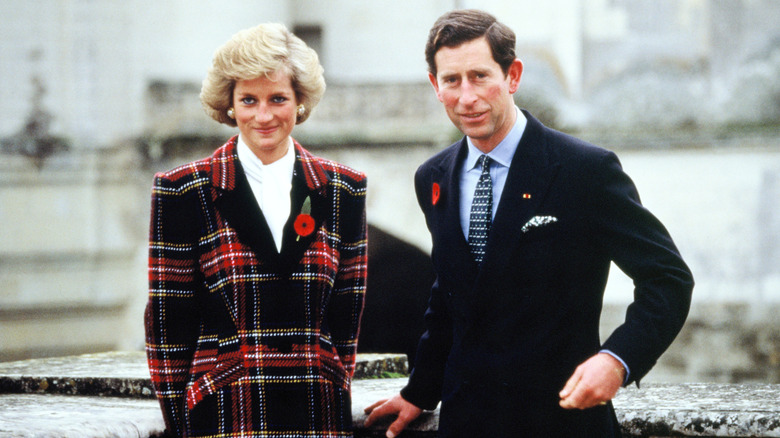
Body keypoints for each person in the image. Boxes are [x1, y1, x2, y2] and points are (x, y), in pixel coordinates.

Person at [364, 9, 693, 438]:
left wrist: (617, 360)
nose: (467, 97)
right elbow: (449, 298)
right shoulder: (433, 177)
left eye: (480, 76)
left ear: (512, 76)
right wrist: (419, 392)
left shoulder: (583, 169)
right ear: (435, 86)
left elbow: (667, 279)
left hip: (562, 422)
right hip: (468, 424)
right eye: (452, 80)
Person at [144, 23, 367, 438]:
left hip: (319, 414)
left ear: (299, 102)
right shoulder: (184, 190)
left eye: (277, 98)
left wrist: (335, 381)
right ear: (229, 105)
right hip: (226, 416)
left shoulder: (343, 189)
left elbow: (346, 318)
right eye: (248, 100)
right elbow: (168, 326)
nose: (263, 116)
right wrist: (181, 425)